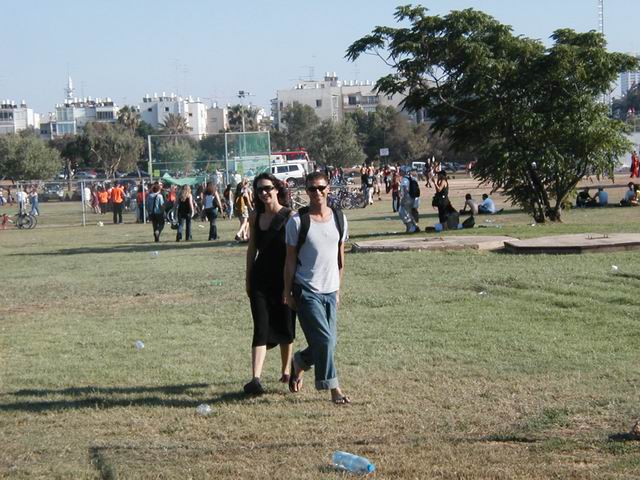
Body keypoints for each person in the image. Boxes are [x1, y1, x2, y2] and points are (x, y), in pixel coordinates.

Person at [284, 171, 350, 405]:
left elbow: (340, 258)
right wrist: (287, 291)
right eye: (312, 189)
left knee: (328, 342)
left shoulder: (339, 219)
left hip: (330, 290)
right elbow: (290, 260)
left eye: (321, 187)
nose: (317, 192)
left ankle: (300, 361)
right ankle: (334, 389)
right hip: (306, 290)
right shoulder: (297, 221)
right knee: (324, 340)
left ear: (328, 188)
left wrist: (338, 289)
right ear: (306, 191)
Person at [243, 173, 295, 395]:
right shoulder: (255, 217)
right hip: (260, 279)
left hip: (284, 278)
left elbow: (294, 252)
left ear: (276, 189)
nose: (264, 193)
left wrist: (290, 284)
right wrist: (248, 278)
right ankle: (255, 379)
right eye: (259, 190)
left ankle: (286, 370)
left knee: (286, 324)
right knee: (261, 326)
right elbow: (252, 249)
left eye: (267, 188)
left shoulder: (290, 216)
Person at [399, 167, 420, 233]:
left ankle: (409, 228)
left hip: (408, 199)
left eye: (400, 171)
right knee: (410, 214)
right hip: (415, 198)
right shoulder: (413, 178)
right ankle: (415, 226)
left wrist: (403, 198)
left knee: (402, 212)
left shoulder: (405, 179)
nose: (399, 172)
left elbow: (405, 188)